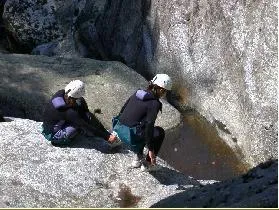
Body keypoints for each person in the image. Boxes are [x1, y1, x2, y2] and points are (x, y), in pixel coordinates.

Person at [112, 74, 172, 171]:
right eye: (165, 92)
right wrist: (151, 150)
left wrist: (117, 130)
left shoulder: (137, 93)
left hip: (119, 130)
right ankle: (148, 164)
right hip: (131, 137)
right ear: (161, 90)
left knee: (140, 126)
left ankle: (138, 157)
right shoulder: (154, 103)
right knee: (159, 132)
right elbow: (149, 126)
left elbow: (123, 110)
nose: (164, 94)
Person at [41, 79, 120, 146]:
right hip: (53, 135)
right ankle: (62, 140)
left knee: (86, 115)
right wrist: (106, 137)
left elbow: (87, 113)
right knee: (78, 127)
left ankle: (103, 133)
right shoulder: (68, 112)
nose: (80, 99)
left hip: (50, 124)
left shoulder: (60, 93)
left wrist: (106, 133)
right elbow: (84, 125)